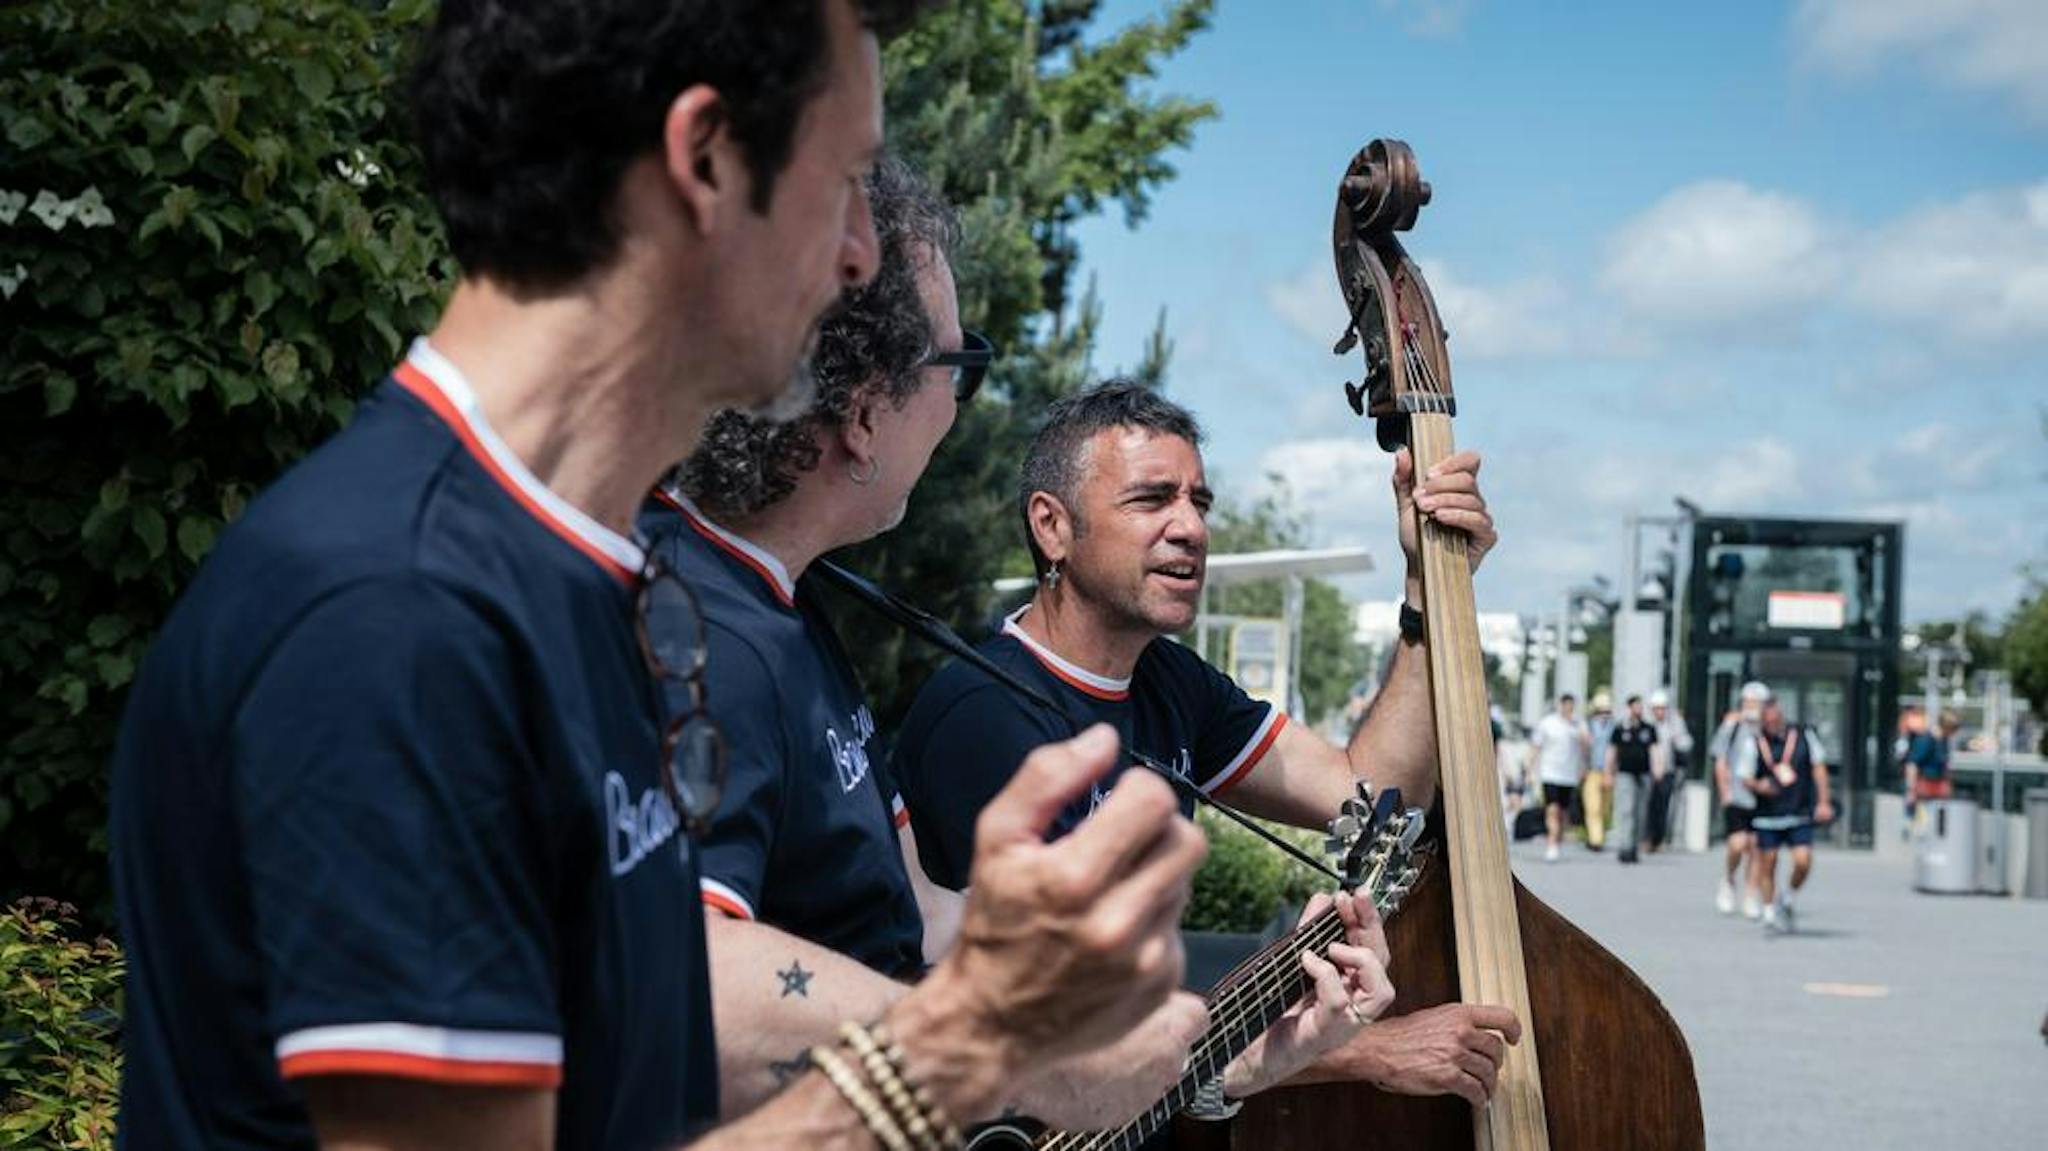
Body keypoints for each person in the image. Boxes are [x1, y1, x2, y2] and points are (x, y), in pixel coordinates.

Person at [107, 3, 1213, 1148]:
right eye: (841, 182)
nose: (858, 258)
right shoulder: (403, 610)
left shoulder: (587, 580)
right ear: (705, 161)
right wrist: (971, 1045)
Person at [641, 158, 1391, 1128]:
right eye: (959, 366)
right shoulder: (690, 623)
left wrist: (1237, 1051)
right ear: (866, 414)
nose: (960, 406)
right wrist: (997, 1046)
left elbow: (922, 959)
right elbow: (677, 969)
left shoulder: (782, 618)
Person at [894, 383, 1528, 1109]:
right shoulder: (984, 715)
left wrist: (1428, 585)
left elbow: (1373, 791)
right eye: (1151, 499)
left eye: (1199, 502)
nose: (1190, 527)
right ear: (1053, 527)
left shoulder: (1167, 677)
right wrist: (1368, 1048)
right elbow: (1070, 1032)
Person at [1745, 699, 1834, 933]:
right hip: (1767, 813)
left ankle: (1788, 896)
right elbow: (1744, 776)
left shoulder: (1804, 736)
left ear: (1780, 715)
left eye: (1773, 718)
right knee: (1769, 861)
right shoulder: (1754, 741)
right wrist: (1758, 785)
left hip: (1799, 810)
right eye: (1766, 719)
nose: (1770, 722)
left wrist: (1823, 801)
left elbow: (1819, 767)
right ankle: (1768, 910)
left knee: (1804, 860)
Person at [1711, 681, 1771, 918]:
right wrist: (1724, 791)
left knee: (1756, 847)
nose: (1753, 707)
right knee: (1738, 844)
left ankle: (1751, 893)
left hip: (1762, 798)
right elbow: (1720, 760)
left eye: (1757, 703)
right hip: (1736, 794)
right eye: (1749, 702)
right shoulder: (1732, 726)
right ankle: (1728, 879)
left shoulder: (1767, 730)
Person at [1528, 694, 1592, 863]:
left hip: (1569, 776)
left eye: (1572, 706)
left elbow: (1586, 749)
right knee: (1552, 809)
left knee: (1563, 814)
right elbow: (1536, 747)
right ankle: (1551, 844)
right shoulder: (1547, 723)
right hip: (1550, 773)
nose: (1569, 709)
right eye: (1566, 706)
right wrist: (1529, 769)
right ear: (1560, 706)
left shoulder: (1579, 724)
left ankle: (1557, 839)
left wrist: (1582, 737)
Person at [1605, 694, 1664, 864]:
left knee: (1640, 812)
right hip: (1625, 774)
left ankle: (1634, 846)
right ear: (1629, 708)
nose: (1638, 709)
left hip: (1644, 775)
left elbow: (1655, 750)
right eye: (1635, 706)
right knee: (1626, 810)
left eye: (1640, 706)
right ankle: (1625, 847)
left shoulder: (1648, 728)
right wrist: (1608, 772)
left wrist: (1658, 768)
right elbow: (1612, 752)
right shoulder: (1620, 728)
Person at [1643, 688, 1693, 853]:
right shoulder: (1647, 724)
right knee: (1647, 806)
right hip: (1648, 771)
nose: (1659, 712)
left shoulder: (1674, 724)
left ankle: (1660, 838)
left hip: (1667, 770)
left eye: (1662, 708)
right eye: (1656, 708)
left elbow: (1685, 743)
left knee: (1663, 806)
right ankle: (1647, 838)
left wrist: (1676, 736)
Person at [1903, 708, 1958, 811]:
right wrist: (1911, 791)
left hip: (1937, 789)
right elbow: (1912, 764)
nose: (1953, 735)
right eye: (1952, 730)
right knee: (1920, 823)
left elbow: (1944, 764)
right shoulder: (1926, 740)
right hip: (1923, 789)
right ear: (1946, 727)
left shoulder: (1943, 740)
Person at [1582, 689, 1616, 851]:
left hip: (1609, 773)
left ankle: (1598, 836)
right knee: (1592, 806)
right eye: (1601, 711)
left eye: (1607, 711)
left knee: (1604, 808)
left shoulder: (1615, 728)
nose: (1604, 714)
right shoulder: (1588, 726)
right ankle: (1596, 840)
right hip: (1593, 771)